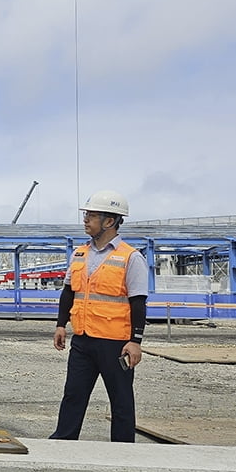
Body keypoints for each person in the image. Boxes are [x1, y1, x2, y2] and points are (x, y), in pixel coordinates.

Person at [50, 190, 148, 443]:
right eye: (86, 215)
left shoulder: (131, 257)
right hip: (83, 339)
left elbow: (138, 302)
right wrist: (61, 325)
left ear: (109, 221)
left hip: (115, 343)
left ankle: (124, 449)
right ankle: (63, 441)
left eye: (92, 216)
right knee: (73, 394)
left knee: (121, 399)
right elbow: (69, 293)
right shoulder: (80, 253)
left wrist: (135, 341)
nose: (86, 220)